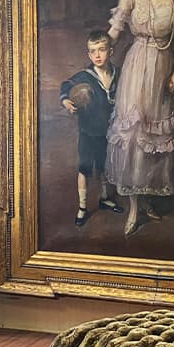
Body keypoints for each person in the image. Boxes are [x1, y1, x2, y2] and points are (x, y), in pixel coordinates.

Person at [104, 0, 174, 236]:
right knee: (136, 131)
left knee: (158, 135)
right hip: (138, 65)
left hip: (164, 67)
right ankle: (134, 209)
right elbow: (116, 28)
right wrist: (102, 49)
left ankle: (150, 198)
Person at [60, 29, 123, 227]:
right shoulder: (84, 76)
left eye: (102, 50)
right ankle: (82, 207)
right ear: (88, 54)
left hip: (109, 131)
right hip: (88, 130)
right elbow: (65, 86)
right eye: (93, 51)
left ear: (110, 51)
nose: (97, 55)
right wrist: (66, 101)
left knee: (104, 166)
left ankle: (104, 198)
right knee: (85, 168)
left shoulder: (118, 74)